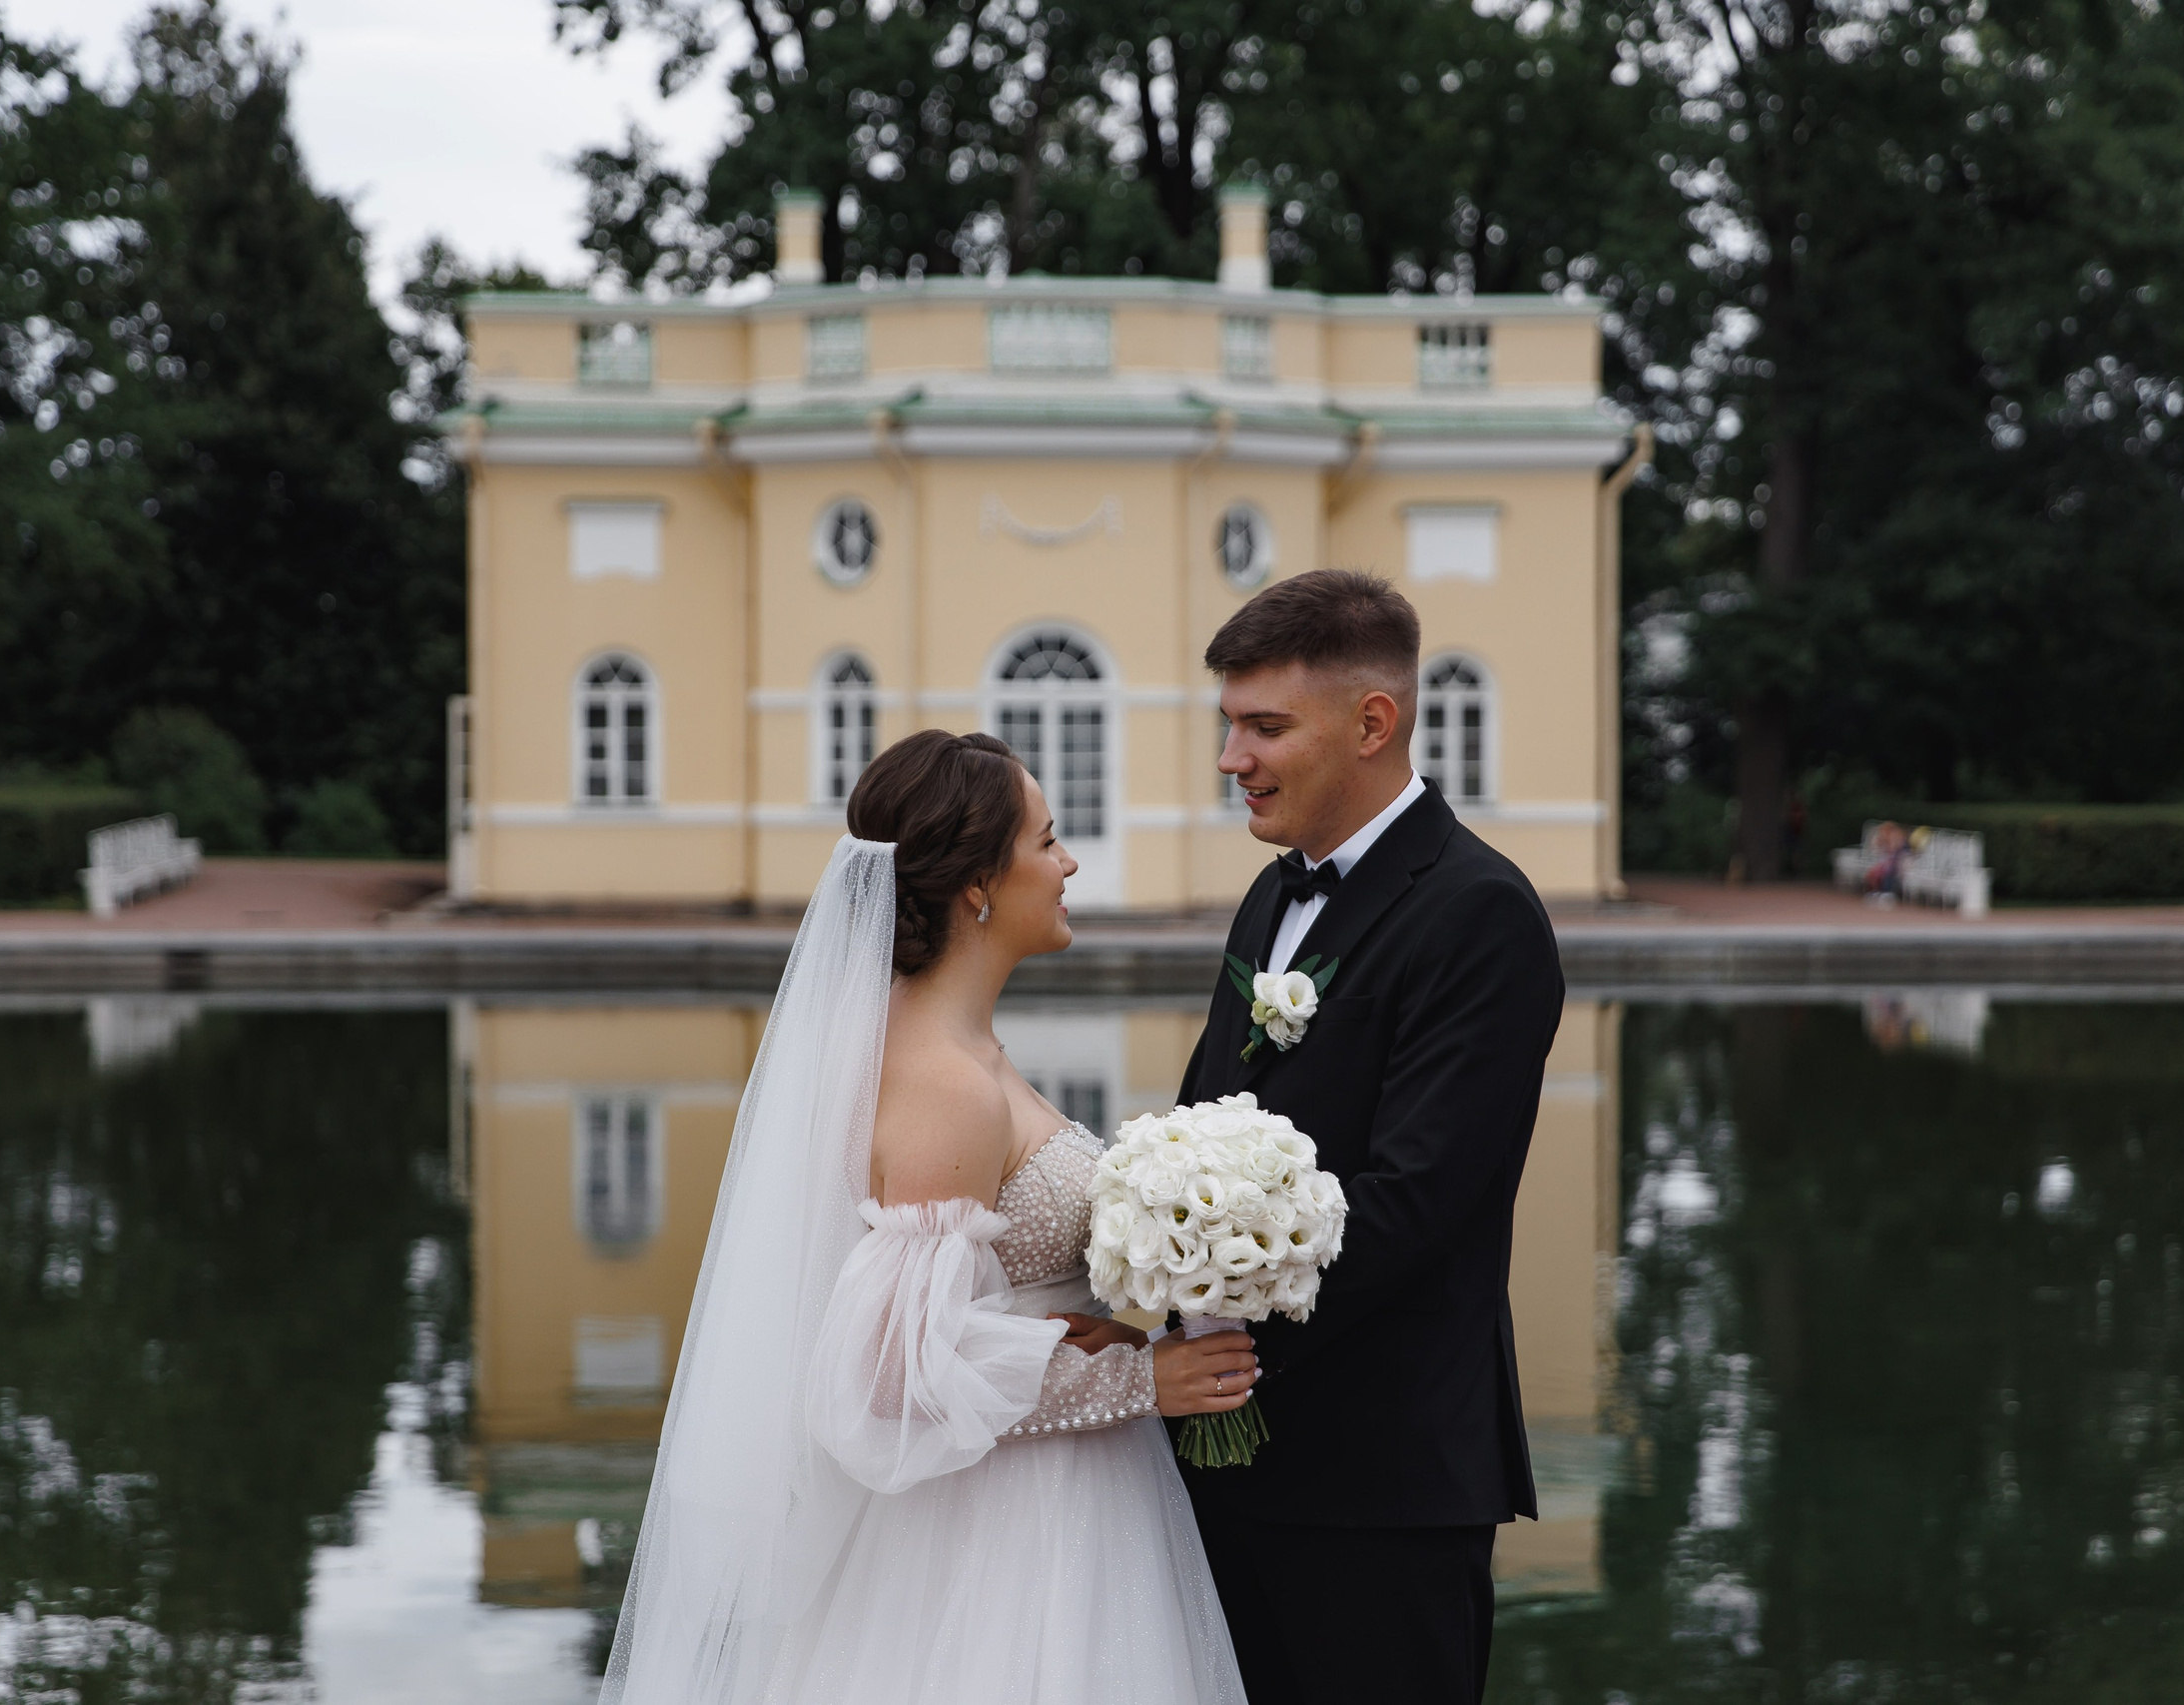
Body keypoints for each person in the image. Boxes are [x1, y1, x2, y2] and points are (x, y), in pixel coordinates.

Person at [596, 729, 1254, 1705]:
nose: (1068, 863)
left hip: (1039, 1499)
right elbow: (892, 1374)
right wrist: (1135, 1380)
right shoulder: (946, 1086)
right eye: (1047, 841)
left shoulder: (951, 1048)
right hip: (1002, 1539)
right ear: (977, 885)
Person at [1177, 570, 1567, 1705]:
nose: (1231, 759)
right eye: (1228, 726)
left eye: (1263, 727)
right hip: (1226, 1460)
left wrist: (1206, 1309)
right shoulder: (1269, 898)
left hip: (1383, 1485)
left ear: (1371, 723)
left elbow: (1411, 1205)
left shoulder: (1478, 913)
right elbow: (1205, 1128)